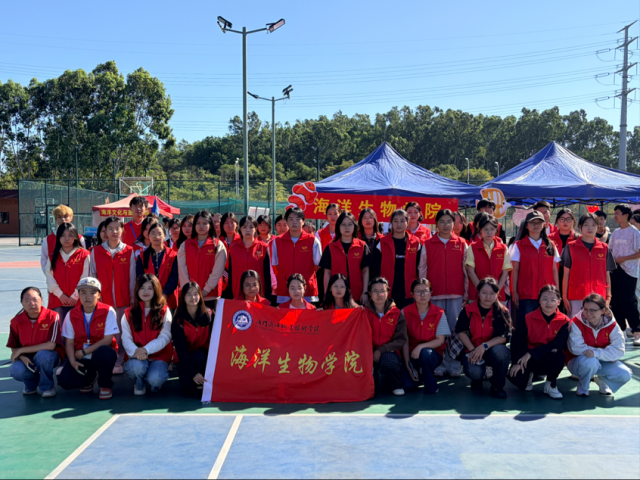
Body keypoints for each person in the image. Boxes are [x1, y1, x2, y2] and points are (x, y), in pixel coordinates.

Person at [419, 209, 468, 377]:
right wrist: (423, 291)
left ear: (454, 224)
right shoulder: (428, 243)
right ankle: (439, 363)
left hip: (456, 293)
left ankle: (454, 364)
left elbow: (466, 270)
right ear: (436, 224)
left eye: (449, 222)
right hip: (435, 293)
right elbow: (422, 268)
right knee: (437, 330)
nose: (446, 225)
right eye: (442, 222)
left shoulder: (462, 243)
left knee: (455, 329)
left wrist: (466, 291)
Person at [57, 278, 119, 400]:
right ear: (79, 295)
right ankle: (89, 379)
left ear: (99, 295)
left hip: (100, 353)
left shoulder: (108, 311)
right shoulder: (71, 314)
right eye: (83, 292)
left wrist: (85, 351)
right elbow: (69, 343)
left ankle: (105, 385)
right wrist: (72, 361)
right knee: (65, 381)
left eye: (92, 292)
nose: (87, 296)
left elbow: (107, 340)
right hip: (82, 356)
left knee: (104, 352)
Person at [89, 216, 136, 374]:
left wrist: (132, 297)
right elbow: (93, 276)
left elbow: (132, 276)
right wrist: (95, 298)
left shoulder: (128, 251)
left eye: (117, 228)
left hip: (124, 299)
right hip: (104, 300)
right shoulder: (96, 251)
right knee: (105, 331)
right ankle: (106, 359)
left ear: (122, 230)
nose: (114, 231)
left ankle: (119, 360)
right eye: (110, 228)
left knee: (121, 331)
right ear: (105, 231)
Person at [508, 285, 569, 399]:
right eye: (545, 299)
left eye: (553, 300)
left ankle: (551, 384)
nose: (548, 303)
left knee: (558, 355)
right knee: (517, 378)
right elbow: (517, 342)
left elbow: (557, 345)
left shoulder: (564, 321)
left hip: (548, 357)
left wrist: (531, 353)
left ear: (559, 302)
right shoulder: (528, 318)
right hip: (529, 359)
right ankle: (529, 375)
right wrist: (516, 362)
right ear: (539, 300)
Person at [455, 277, 512, 398]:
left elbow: (504, 337)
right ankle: (477, 379)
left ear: (497, 294)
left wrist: (484, 346)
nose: (488, 297)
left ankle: (497, 386)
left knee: (502, 352)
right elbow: (461, 331)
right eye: (484, 293)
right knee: (474, 372)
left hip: (492, 350)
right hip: (473, 349)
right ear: (478, 293)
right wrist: (472, 350)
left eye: (492, 293)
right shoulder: (468, 309)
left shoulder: (503, 311)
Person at [568, 294, 632, 396]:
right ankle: (583, 386)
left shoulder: (612, 325)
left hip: (601, 361)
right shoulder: (576, 322)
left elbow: (619, 350)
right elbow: (575, 348)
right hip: (578, 362)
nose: (588, 314)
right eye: (585, 309)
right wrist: (608, 354)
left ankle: (603, 380)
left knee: (625, 374)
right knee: (590, 362)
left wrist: (596, 353)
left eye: (593, 310)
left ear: (603, 311)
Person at [122, 274, 173, 395]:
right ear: (137, 290)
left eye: (150, 288)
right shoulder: (128, 313)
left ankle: (153, 383)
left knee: (155, 380)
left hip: (159, 356)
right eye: (142, 288)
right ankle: (139, 383)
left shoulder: (164, 311)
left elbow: (165, 337)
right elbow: (126, 338)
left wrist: (146, 349)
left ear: (156, 290)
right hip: (136, 356)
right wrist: (137, 351)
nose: (146, 291)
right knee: (136, 368)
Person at [7, 287, 62, 397]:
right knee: (16, 370)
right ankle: (31, 386)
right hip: (26, 356)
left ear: (41, 300)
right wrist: (22, 357)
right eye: (27, 301)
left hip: (49, 354)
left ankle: (47, 387)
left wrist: (21, 350)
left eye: (35, 300)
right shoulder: (16, 321)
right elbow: (14, 345)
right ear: (22, 303)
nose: (31, 304)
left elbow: (51, 345)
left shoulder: (52, 316)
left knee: (44, 357)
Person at [562, 213, 615, 318]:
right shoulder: (570, 247)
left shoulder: (604, 248)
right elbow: (566, 274)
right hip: (576, 296)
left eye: (593, 225)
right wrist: (564, 296)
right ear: (580, 227)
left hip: (599, 296)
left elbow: (607, 274)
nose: (590, 228)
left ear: (598, 227)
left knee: (596, 325)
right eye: (586, 225)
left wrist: (608, 297)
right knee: (576, 325)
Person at [401, 279, 450, 395]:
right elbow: (405, 341)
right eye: (418, 291)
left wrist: (420, 347)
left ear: (431, 293)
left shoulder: (439, 312)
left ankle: (430, 385)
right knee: (408, 385)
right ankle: (419, 375)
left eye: (426, 291)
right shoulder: (404, 312)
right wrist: (408, 365)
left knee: (425, 353)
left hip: (432, 354)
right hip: (412, 355)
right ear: (412, 294)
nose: (422, 295)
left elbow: (440, 340)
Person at [511, 211, 561, 323]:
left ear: (544, 225)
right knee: (527, 324)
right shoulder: (518, 245)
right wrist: (514, 292)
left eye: (539, 222)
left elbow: (554, 270)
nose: (536, 225)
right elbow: (515, 270)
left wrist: (557, 292)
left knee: (546, 323)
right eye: (533, 222)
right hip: (526, 293)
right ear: (526, 225)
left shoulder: (551, 245)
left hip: (548, 293)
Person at [363, 277, 408, 396]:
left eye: (382, 291)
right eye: (375, 291)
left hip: (389, 352)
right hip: (368, 352)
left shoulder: (397, 313)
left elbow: (401, 339)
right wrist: (370, 353)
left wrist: (381, 350)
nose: (379, 295)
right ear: (370, 294)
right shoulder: (363, 313)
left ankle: (396, 384)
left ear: (388, 292)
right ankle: (374, 378)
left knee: (389, 363)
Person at [177, 211, 227, 311]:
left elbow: (218, 271)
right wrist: (190, 290)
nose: (201, 226)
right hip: (190, 296)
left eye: (204, 223)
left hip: (211, 295)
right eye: (198, 223)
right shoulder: (185, 245)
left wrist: (206, 290)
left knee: (211, 321)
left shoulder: (218, 245)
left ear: (210, 225)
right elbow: (182, 270)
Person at [272, 208, 322, 304]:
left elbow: (317, 265)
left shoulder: (313, 240)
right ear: (287, 221)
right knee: (284, 312)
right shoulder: (277, 241)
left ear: (303, 221)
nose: (294, 222)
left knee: (307, 313)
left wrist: (306, 275)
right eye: (291, 219)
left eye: (298, 219)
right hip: (284, 288)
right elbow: (276, 265)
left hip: (307, 288)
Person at [320, 211, 371, 304]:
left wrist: (365, 292)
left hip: (357, 295)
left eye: (350, 224)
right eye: (343, 224)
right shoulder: (330, 247)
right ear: (338, 227)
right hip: (336, 296)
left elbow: (366, 271)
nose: (347, 227)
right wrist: (326, 294)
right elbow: (327, 272)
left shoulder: (362, 246)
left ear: (354, 226)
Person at [171, 282, 212, 395]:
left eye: (195, 294)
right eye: (188, 294)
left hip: (203, 357)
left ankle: (202, 377)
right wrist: (194, 373)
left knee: (200, 357)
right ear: (183, 297)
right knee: (187, 385)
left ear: (200, 296)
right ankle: (196, 378)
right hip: (185, 358)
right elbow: (181, 351)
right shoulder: (178, 320)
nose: (193, 297)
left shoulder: (209, 315)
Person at [608, 204, 640, 346]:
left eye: (617, 213)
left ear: (626, 215)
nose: (615, 216)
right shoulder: (615, 233)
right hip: (615, 270)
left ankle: (636, 331)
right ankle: (621, 331)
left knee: (629, 301)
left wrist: (624, 259)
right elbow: (610, 250)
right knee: (615, 301)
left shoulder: (635, 233)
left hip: (630, 271)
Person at [378, 209, 422, 309]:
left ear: (407, 223)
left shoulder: (416, 243)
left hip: (409, 291)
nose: (399, 224)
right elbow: (376, 267)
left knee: (407, 318)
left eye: (402, 221)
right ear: (391, 223)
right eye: (395, 221)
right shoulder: (382, 242)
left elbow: (420, 267)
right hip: (387, 291)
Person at [45, 222, 90, 319]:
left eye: (70, 235)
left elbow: (85, 277)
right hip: (57, 300)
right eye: (63, 235)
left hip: (79, 301)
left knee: (78, 327)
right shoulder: (52, 256)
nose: (66, 238)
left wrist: (75, 296)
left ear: (75, 236)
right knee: (58, 327)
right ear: (58, 237)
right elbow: (49, 277)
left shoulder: (84, 255)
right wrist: (60, 295)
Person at [466, 215, 512, 304]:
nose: (489, 232)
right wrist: (482, 291)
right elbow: (471, 272)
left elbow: (505, 272)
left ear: (496, 230)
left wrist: (495, 291)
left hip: (498, 294)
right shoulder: (472, 247)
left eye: (492, 229)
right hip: (477, 293)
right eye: (486, 229)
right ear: (480, 230)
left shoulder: (503, 248)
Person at [225, 216, 272, 300]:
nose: (247, 230)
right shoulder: (233, 248)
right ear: (240, 229)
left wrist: (268, 294)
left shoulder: (263, 247)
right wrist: (230, 292)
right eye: (244, 227)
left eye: (251, 227)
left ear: (256, 229)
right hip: (237, 292)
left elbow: (267, 273)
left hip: (258, 293)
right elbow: (231, 272)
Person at [136, 223, 179, 309]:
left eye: (159, 234)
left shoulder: (173, 255)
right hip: (148, 299)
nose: (156, 236)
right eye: (153, 233)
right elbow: (140, 277)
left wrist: (164, 295)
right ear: (148, 236)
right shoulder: (142, 255)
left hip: (168, 299)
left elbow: (174, 278)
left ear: (165, 236)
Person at [40, 204, 86, 273]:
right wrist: (49, 276)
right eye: (59, 217)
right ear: (55, 219)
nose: (63, 219)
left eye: (66, 216)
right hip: (54, 277)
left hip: (76, 276)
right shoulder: (48, 239)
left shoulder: (79, 238)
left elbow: (83, 258)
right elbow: (44, 260)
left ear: (71, 218)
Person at [358, 208, 383, 279]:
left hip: (379, 277)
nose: (368, 220)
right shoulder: (355, 239)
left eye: (370, 217)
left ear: (375, 220)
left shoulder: (382, 239)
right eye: (365, 218)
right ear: (361, 221)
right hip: (359, 276)